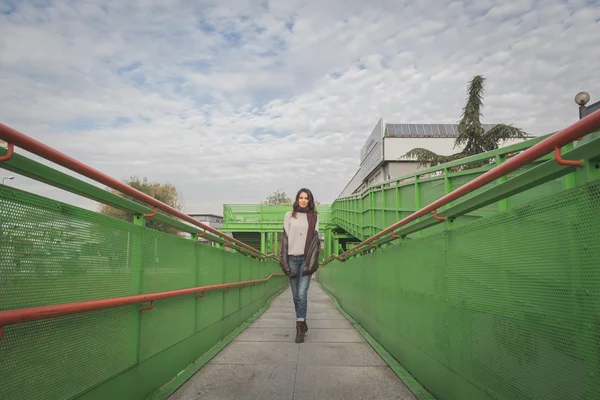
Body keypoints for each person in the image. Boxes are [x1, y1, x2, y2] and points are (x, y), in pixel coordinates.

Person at [279, 188, 321, 343]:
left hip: (306, 260)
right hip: (292, 259)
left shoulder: (314, 216)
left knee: (302, 294)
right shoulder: (289, 215)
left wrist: (311, 263)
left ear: (310, 200)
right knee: (296, 295)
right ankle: (302, 321)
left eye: (306, 198)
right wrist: (284, 261)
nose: (303, 200)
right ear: (297, 199)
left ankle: (299, 327)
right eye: (301, 197)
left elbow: (315, 242)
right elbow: (285, 239)